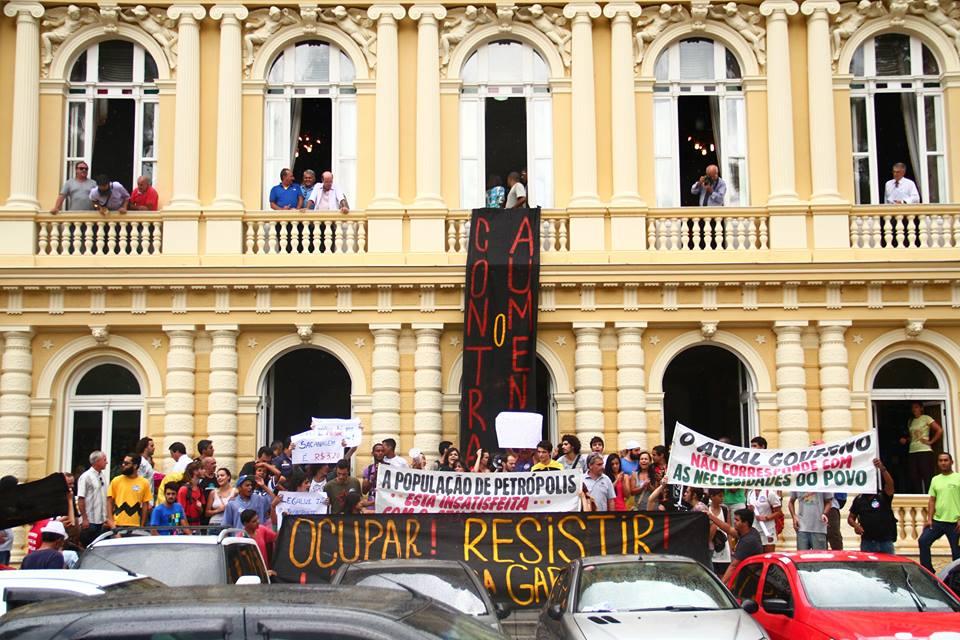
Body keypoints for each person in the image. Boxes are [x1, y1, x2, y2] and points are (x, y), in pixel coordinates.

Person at [919, 452, 960, 571]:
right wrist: (929, 519)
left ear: (951, 462)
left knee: (957, 553)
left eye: (946, 460)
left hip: (955, 523)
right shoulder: (935, 479)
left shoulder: (958, 478)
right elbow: (932, 500)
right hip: (938, 521)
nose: (943, 463)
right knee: (923, 541)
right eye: (940, 460)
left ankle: (956, 580)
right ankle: (928, 571)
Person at [848, 458, 897, 554]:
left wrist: (882, 468)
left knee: (889, 568)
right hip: (867, 542)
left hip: (885, 542)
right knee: (868, 568)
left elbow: (890, 484)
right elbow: (850, 518)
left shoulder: (883, 495)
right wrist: (855, 525)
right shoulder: (859, 499)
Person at [707, 508, 762, 583]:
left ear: (745, 523)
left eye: (737, 520)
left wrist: (721, 586)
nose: (734, 522)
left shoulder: (748, 541)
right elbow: (728, 529)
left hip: (750, 580)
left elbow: (733, 566)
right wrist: (711, 516)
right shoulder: (750, 531)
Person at [900, 401, 943, 494]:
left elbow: (939, 430)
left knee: (927, 476)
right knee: (914, 476)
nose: (914, 409)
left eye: (916, 407)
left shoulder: (926, 418)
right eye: (912, 408)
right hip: (912, 451)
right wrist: (906, 440)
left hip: (924, 450)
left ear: (921, 408)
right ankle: (919, 497)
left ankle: (930, 497)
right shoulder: (911, 421)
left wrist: (931, 441)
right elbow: (913, 437)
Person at [106, 454, 153, 528]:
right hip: (117, 525)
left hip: (135, 526)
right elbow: (109, 502)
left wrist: (142, 525)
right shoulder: (116, 481)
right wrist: (111, 522)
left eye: (126, 463)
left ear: (135, 466)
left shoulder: (144, 483)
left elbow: (145, 505)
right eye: (123, 462)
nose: (123, 465)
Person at [76, 450, 108, 538]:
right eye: (104, 460)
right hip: (90, 520)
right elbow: (81, 498)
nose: (107, 462)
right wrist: (85, 518)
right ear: (97, 461)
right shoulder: (85, 477)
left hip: (102, 520)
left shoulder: (102, 476)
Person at [747, 487, 781, 552]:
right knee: (757, 554)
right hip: (755, 528)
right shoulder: (750, 493)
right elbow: (749, 510)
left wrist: (766, 518)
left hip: (768, 528)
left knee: (769, 555)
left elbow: (778, 512)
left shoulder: (769, 493)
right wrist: (750, 509)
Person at [708, 489, 732, 575]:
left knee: (723, 574)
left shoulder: (725, 510)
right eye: (720, 496)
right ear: (712, 496)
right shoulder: (707, 510)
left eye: (723, 496)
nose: (722, 498)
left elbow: (729, 530)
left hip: (724, 548)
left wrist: (730, 547)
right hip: (711, 548)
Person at [177, 462, 205, 526]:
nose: (204, 471)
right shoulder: (184, 489)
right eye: (202, 468)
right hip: (186, 527)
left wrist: (200, 508)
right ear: (195, 471)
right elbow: (180, 512)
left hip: (197, 525)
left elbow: (201, 512)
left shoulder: (200, 489)